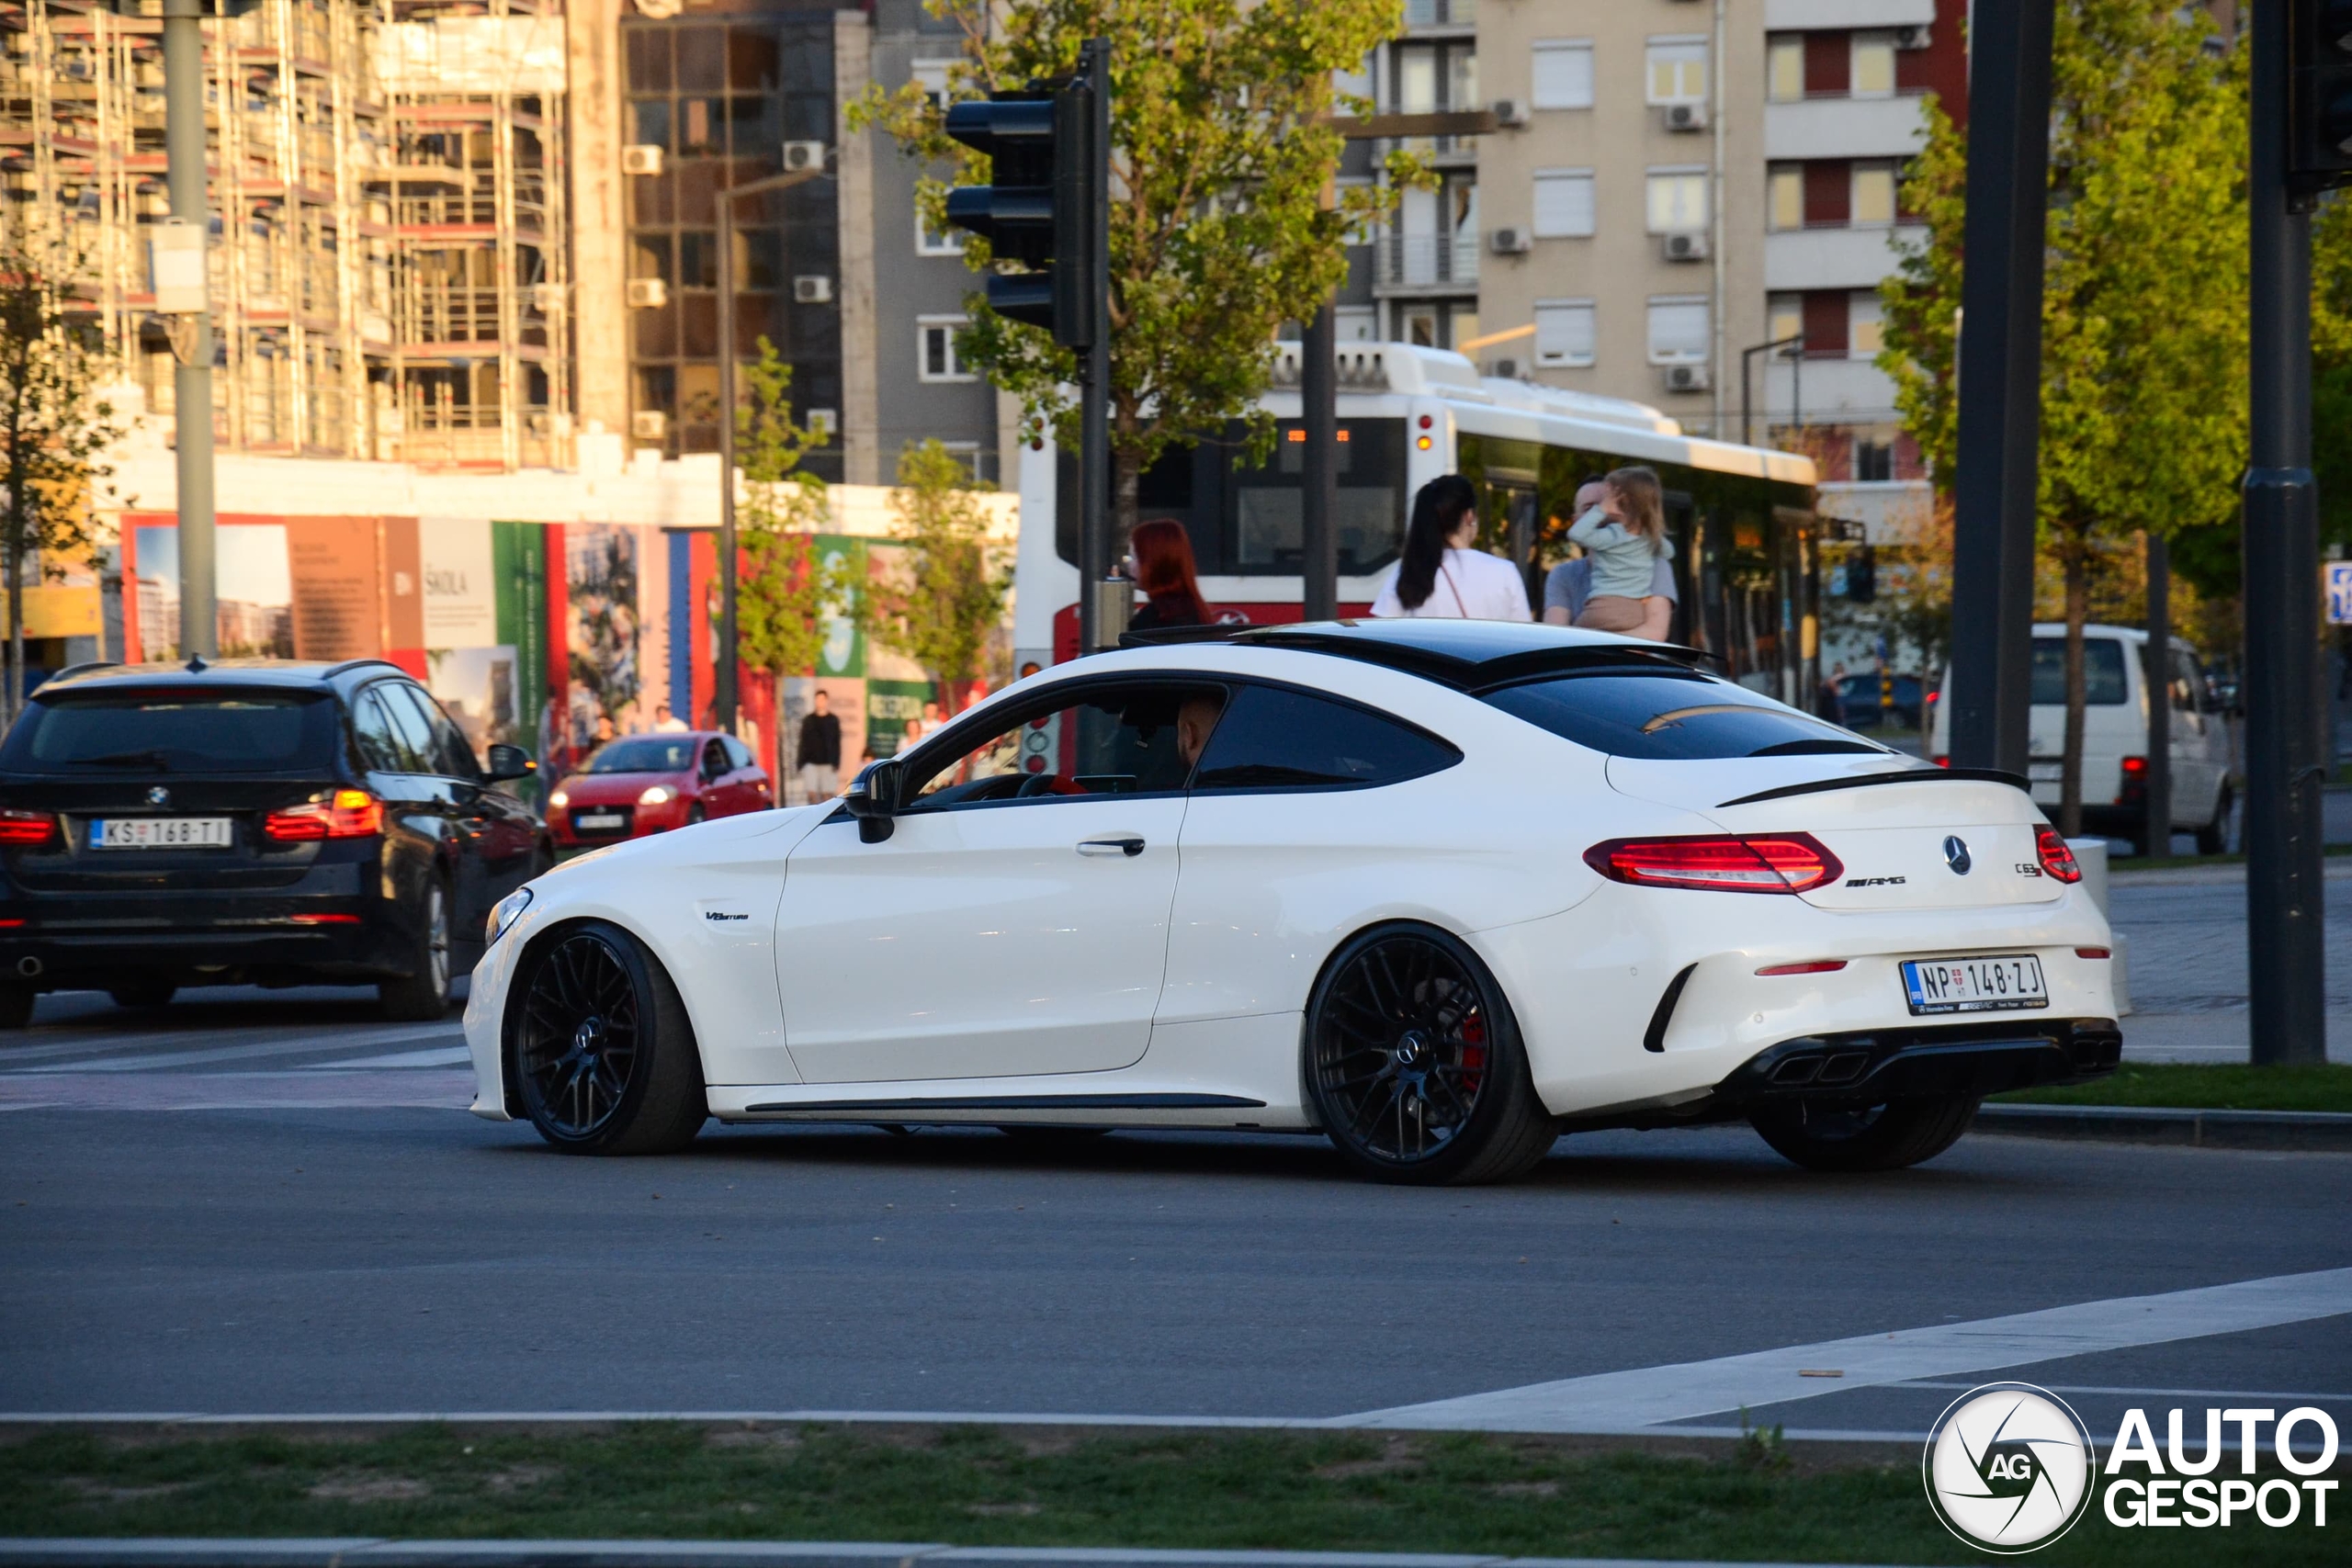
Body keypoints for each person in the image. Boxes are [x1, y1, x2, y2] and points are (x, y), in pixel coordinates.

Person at [1369, 474, 1532, 621]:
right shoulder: (1505, 572)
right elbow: (1524, 640)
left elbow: (1382, 635)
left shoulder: (1410, 571)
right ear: (1469, 516)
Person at [1543, 478, 1679, 638]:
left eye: (1614, 505)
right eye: (1590, 509)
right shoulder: (1563, 575)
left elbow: (1654, 634)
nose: (1603, 514)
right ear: (1576, 521)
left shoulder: (1656, 565)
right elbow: (1554, 638)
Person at [1125, 519, 1213, 633]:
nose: (1129, 565)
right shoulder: (1194, 610)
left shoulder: (1154, 619)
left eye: (1133, 557)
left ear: (1154, 562)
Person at [797, 689, 842, 800]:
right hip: (811, 762)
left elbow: (836, 742)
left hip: (828, 762)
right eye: (817, 699)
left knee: (827, 795)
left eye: (822, 699)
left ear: (826, 701)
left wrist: (836, 762)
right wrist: (800, 761)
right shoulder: (809, 720)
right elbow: (803, 741)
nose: (820, 702)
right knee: (811, 794)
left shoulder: (833, 720)